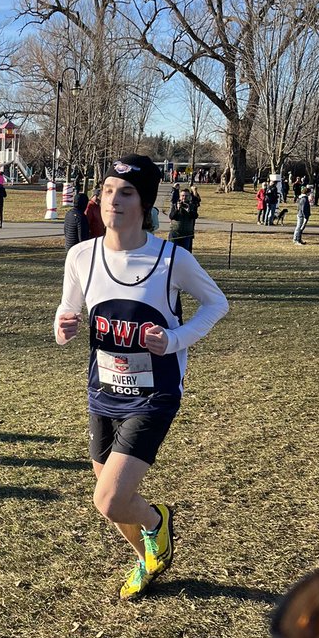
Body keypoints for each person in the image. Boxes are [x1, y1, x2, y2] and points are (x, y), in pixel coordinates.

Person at [54, 154, 229, 600]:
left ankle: (157, 523)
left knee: (109, 498)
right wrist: (63, 326)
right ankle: (149, 557)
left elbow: (216, 304)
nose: (114, 199)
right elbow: (67, 310)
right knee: (110, 498)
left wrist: (173, 339)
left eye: (126, 192)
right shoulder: (81, 255)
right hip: (103, 390)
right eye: (108, 190)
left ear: (145, 202)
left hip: (155, 394)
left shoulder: (172, 259)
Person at [168, 186, 200, 252]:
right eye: (182, 195)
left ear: (189, 197)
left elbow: (195, 216)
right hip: (175, 234)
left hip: (187, 235)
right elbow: (171, 216)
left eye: (186, 196)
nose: (184, 197)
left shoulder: (192, 205)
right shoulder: (175, 205)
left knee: (185, 254)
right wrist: (177, 209)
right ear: (180, 197)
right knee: (172, 252)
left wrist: (189, 211)